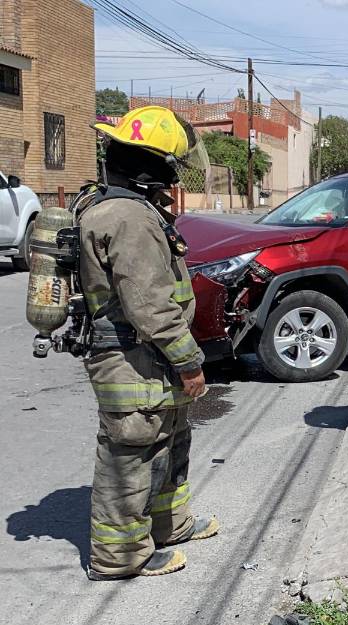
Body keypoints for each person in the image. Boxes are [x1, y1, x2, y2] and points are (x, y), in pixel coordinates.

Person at [82, 106, 217, 580]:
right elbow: (150, 305)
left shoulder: (133, 209)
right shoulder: (127, 218)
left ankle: (169, 525)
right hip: (131, 357)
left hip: (147, 356)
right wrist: (189, 362)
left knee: (170, 438)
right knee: (132, 452)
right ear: (152, 166)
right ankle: (118, 557)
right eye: (170, 166)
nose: (174, 177)